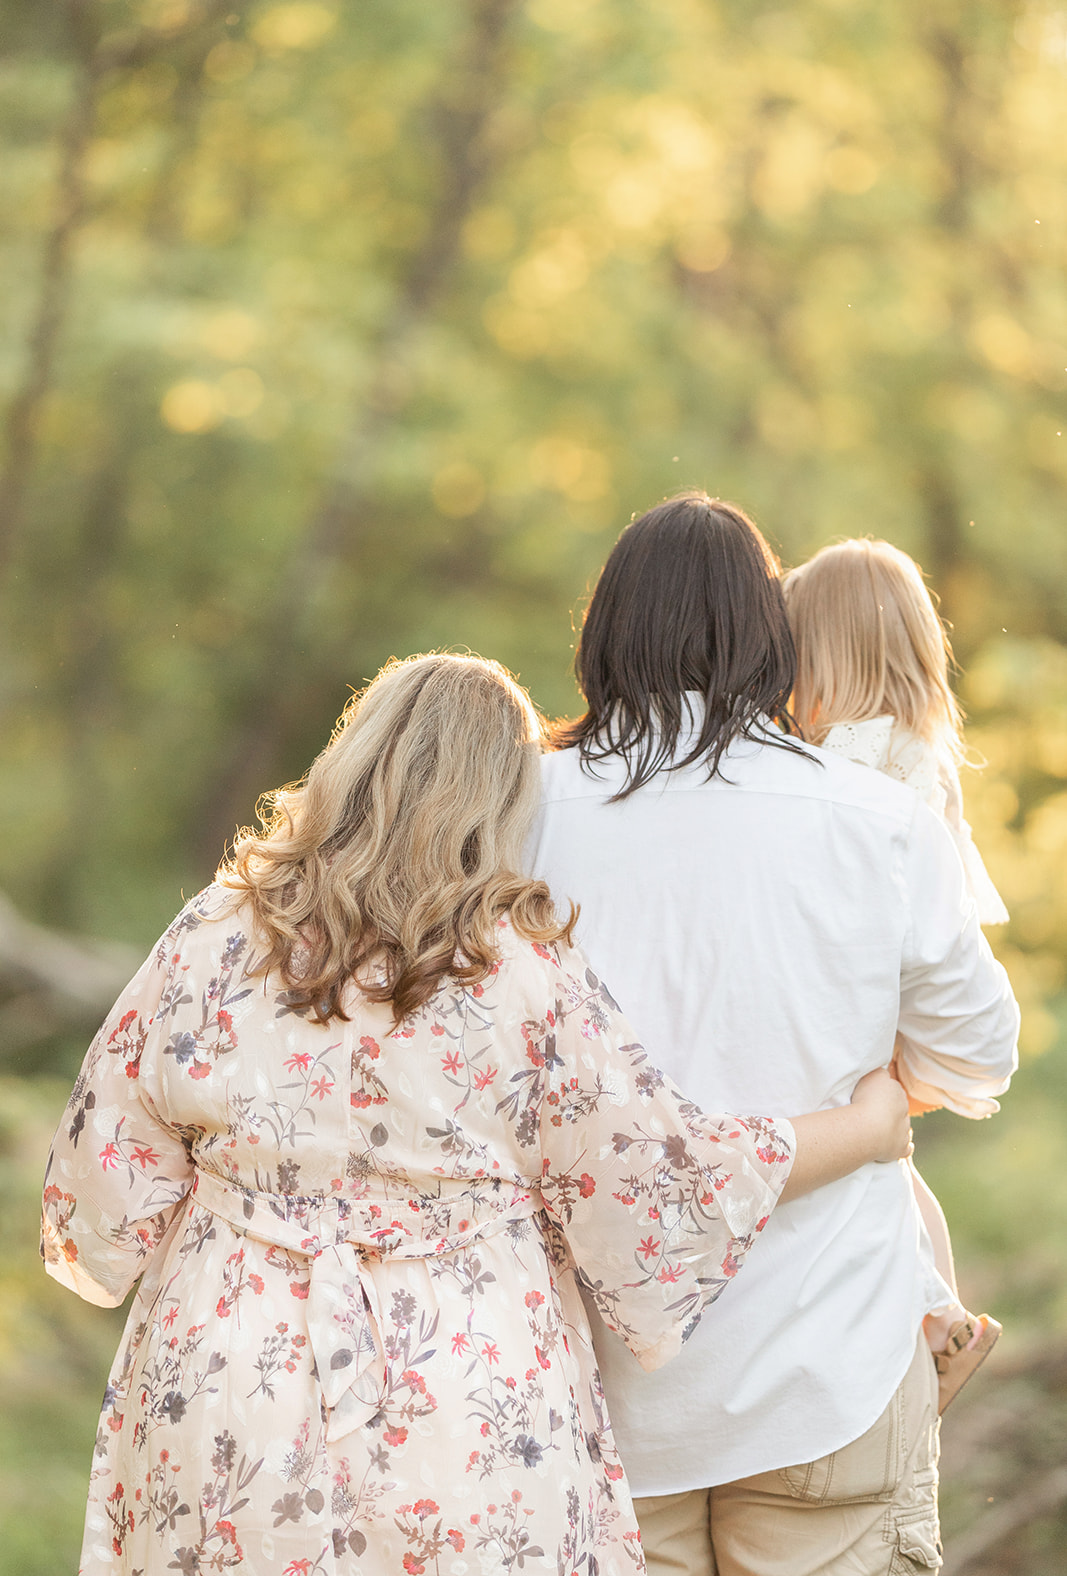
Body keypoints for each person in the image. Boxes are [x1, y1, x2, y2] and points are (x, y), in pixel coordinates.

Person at [41, 652, 910, 1576]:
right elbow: (655, 1195)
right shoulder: (525, 975)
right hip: (462, 1391)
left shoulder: (217, 931)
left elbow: (99, 1188)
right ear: (504, 800)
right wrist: (863, 1130)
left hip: (223, 1374)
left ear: (352, 757)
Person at [528, 495, 1020, 1576]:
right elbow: (977, 1052)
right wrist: (874, 1103)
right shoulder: (871, 816)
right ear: (768, 636)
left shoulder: (520, 805)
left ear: (600, 630)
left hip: (592, 1380)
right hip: (823, 1359)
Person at [784, 536, 1009, 1411]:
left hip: (846, 988)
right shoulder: (922, 753)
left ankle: (939, 1317)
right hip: (892, 991)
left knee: (868, 1164)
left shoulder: (845, 756)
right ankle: (945, 1316)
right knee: (892, 1166)